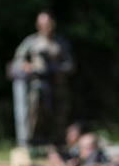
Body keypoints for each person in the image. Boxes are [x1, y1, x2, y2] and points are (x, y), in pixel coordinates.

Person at [9, 12, 74, 146]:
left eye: (48, 24)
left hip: (57, 85)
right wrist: (29, 66)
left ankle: (57, 143)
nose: (46, 27)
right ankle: (32, 141)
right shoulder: (31, 42)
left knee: (60, 115)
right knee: (35, 110)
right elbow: (18, 61)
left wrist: (58, 69)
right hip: (37, 83)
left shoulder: (60, 43)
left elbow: (70, 64)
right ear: (38, 25)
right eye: (43, 24)